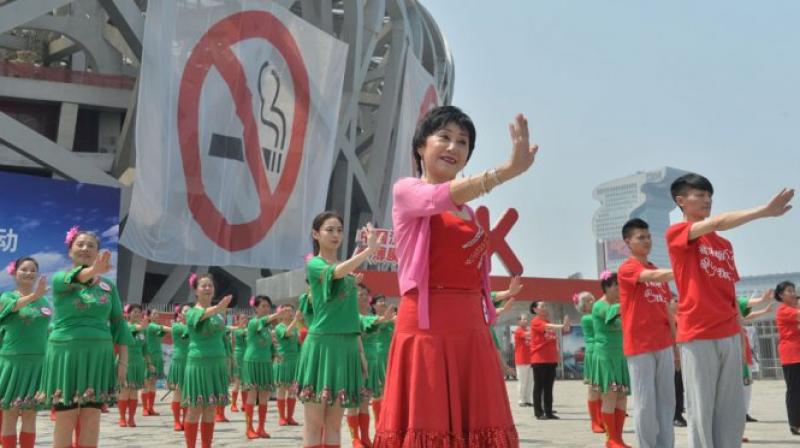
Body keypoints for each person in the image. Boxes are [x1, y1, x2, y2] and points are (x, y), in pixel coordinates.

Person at [373, 105, 536, 447]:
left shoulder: (469, 213)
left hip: (471, 329)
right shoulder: (408, 192)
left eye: (462, 142)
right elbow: (437, 197)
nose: (453, 147)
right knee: (427, 422)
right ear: (421, 147)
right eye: (443, 137)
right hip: (427, 326)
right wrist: (505, 172)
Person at [666, 173, 793, 447]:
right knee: (702, 408)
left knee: (732, 410)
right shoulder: (678, 234)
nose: (706, 199)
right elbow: (719, 221)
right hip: (697, 333)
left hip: (728, 334)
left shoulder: (724, 245)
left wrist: (739, 335)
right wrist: (764, 211)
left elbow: (729, 294)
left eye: (709, 195)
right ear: (681, 201)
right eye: (698, 195)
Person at [38, 227, 134, 448]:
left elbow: (119, 323)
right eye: (80, 244)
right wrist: (94, 270)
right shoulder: (62, 279)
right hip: (65, 355)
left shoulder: (108, 287)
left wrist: (124, 362)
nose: (85, 248)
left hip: (99, 356)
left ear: (98, 251)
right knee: (66, 418)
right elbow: (80, 277)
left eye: (91, 245)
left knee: (92, 418)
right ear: (70, 251)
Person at [294, 212, 380, 448]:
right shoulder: (315, 264)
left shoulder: (348, 274)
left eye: (339, 230)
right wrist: (368, 251)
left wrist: (360, 353)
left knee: (334, 424)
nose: (335, 235)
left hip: (346, 347)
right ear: (315, 234)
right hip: (321, 347)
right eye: (329, 229)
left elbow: (352, 317)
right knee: (314, 424)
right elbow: (336, 273)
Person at [617, 218, 675, 448]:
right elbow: (648, 278)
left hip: (663, 343)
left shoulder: (656, 270)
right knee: (645, 402)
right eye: (641, 237)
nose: (647, 241)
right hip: (640, 344)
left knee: (667, 401)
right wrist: (681, 268)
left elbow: (668, 309)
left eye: (648, 236)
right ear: (627, 242)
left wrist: (675, 342)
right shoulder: (628, 268)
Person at [0, 257, 49, 448]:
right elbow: (12, 307)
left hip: (38, 362)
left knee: (30, 413)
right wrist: (33, 296)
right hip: (13, 362)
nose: (29, 273)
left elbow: (47, 329)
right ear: (14, 273)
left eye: (32, 270)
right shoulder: (7, 297)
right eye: (24, 269)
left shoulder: (43, 300)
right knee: (10, 412)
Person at [182, 273, 232, 448]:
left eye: (210, 285)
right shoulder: (190, 311)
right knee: (195, 407)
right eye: (203, 286)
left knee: (211, 408)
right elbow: (201, 315)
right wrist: (219, 307)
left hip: (217, 362)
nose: (208, 288)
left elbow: (223, 339)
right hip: (198, 363)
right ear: (195, 290)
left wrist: (228, 363)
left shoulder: (219, 314)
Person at [346, 285, 394, 448]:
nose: (363, 297)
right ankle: (355, 438)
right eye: (359, 294)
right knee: (353, 401)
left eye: (366, 294)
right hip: (356, 361)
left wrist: (384, 319)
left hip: (373, 362)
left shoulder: (371, 316)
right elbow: (365, 321)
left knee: (365, 401)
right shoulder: (352, 316)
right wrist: (382, 319)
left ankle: (365, 437)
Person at [592, 272, 630, 448]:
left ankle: (619, 439)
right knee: (610, 396)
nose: (619, 290)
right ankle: (611, 439)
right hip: (606, 356)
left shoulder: (617, 304)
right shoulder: (599, 305)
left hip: (620, 355)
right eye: (617, 286)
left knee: (621, 397)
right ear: (607, 287)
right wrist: (629, 297)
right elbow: (611, 312)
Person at [242, 295, 286, 439]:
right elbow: (263, 320)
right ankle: (249, 428)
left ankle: (261, 428)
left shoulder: (267, 329)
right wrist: (277, 315)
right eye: (263, 306)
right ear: (255, 308)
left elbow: (270, 344)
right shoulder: (253, 322)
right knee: (253, 394)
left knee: (264, 396)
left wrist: (276, 354)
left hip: (266, 363)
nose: (266, 309)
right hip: (253, 362)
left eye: (268, 306)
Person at [529, 301, 570, 420]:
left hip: (550, 359)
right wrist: (562, 326)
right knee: (539, 386)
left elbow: (553, 340)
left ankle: (548, 411)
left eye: (546, 306)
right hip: (539, 359)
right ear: (535, 309)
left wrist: (557, 355)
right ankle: (538, 412)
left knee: (548, 387)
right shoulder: (535, 321)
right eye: (542, 306)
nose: (545, 308)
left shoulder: (547, 322)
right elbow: (548, 328)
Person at [117, 304, 151, 428]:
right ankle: (121, 417)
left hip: (138, 363)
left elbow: (145, 349)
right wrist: (141, 326)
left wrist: (149, 363)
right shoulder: (125, 326)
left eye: (139, 312)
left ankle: (131, 418)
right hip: (126, 361)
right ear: (128, 313)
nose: (137, 314)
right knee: (125, 391)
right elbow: (132, 329)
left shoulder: (143, 330)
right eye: (134, 312)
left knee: (134, 392)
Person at [574, 291, 604, 433]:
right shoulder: (587, 318)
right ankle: (595, 422)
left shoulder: (599, 312)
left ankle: (602, 419)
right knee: (594, 387)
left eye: (591, 298)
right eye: (586, 300)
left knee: (603, 388)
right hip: (593, 352)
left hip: (605, 351)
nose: (591, 301)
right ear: (583, 307)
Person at [774, 281, 800, 436]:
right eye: (789, 291)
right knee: (794, 390)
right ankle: (794, 423)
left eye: (793, 290)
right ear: (781, 295)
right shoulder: (783, 310)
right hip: (791, 354)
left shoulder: (792, 309)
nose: (793, 293)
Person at [273, 304, 301, 427]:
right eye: (287, 311)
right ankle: (281, 417)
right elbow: (286, 334)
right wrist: (296, 320)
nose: (290, 313)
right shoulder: (279, 327)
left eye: (291, 311)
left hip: (294, 360)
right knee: (281, 388)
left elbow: (298, 344)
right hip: (283, 360)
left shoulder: (295, 328)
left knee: (292, 390)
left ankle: (290, 417)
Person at [369, 295, 394, 424]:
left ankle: (387, 418)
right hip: (378, 355)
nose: (383, 302)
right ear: (373, 305)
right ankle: (378, 421)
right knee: (378, 390)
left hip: (390, 355)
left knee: (388, 389)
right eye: (380, 301)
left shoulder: (390, 320)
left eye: (384, 300)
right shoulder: (372, 319)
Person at [142, 311, 172, 417]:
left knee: (152, 383)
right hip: (149, 357)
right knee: (147, 383)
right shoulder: (151, 326)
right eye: (154, 314)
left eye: (157, 314)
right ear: (149, 316)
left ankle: (150, 408)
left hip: (157, 357)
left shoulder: (155, 327)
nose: (157, 315)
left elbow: (162, 334)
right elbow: (165, 329)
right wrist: (177, 329)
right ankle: (145, 408)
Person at [168, 304, 191, 432]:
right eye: (185, 311)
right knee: (178, 392)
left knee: (187, 393)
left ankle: (185, 421)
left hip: (191, 362)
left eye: (190, 311)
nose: (188, 313)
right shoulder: (176, 327)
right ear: (180, 314)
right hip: (179, 361)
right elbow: (187, 332)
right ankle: (177, 422)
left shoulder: (193, 326)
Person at [513, 313, 533, 407]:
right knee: (522, 382)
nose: (525, 321)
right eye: (523, 319)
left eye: (526, 319)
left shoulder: (528, 329)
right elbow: (527, 334)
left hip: (530, 360)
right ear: (518, 321)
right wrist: (537, 329)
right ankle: (521, 400)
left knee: (530, 381)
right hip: (521, 360)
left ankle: (528, 400)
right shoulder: (518, 331)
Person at [231, 313, 249, 412]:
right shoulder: (237, 331)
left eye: (246, 318)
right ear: (237, 320)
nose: (245, 320)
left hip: (246, 355)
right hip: (238, 355)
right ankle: (233, 404)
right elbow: (234, 342)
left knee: (245, 382)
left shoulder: (247, 330)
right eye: (242, 318)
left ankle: (244, 404)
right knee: (237, 381)